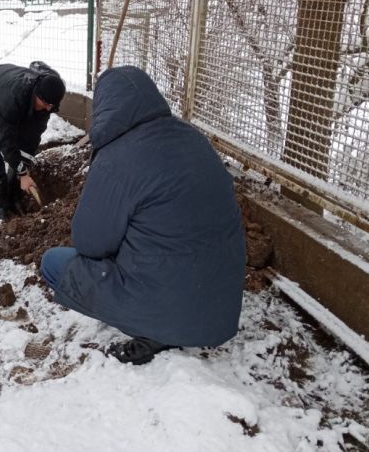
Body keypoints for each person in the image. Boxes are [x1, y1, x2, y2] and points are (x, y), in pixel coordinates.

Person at [40, 66, 246, 365]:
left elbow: (89, 244)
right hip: (221, 308)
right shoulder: (194, 139)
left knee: (54, 263)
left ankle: (154, 330)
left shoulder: (116, 158)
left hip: (168, 309)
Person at [0, 62, 66, 220]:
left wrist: (23, 170)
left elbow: (32, 136)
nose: (48, 109)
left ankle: (13, 196)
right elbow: (6, 142)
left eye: (52, 106)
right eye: (46, 104)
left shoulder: (47, 96)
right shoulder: (12, 96)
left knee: (23, 138)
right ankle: (0, 206)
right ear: (36, 94)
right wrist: (23, 174)